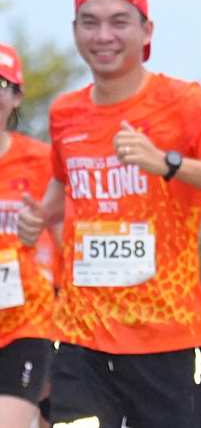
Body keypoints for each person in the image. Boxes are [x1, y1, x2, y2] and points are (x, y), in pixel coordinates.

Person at [16, 0, 201, 428]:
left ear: (146, 31)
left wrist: (168, 164)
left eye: (119, 22)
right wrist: (41, 216)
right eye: (90, 22)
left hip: (166, 337)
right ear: (75, 31)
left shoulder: (183, 102)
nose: (103, 36)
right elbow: (64, 182)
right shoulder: (65, 113)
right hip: (81, 335)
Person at [0, 43, 54, 428]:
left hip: (26, 322)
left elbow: (68, 232)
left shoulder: (42, 160)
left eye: (0, 84)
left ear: (17, 96)